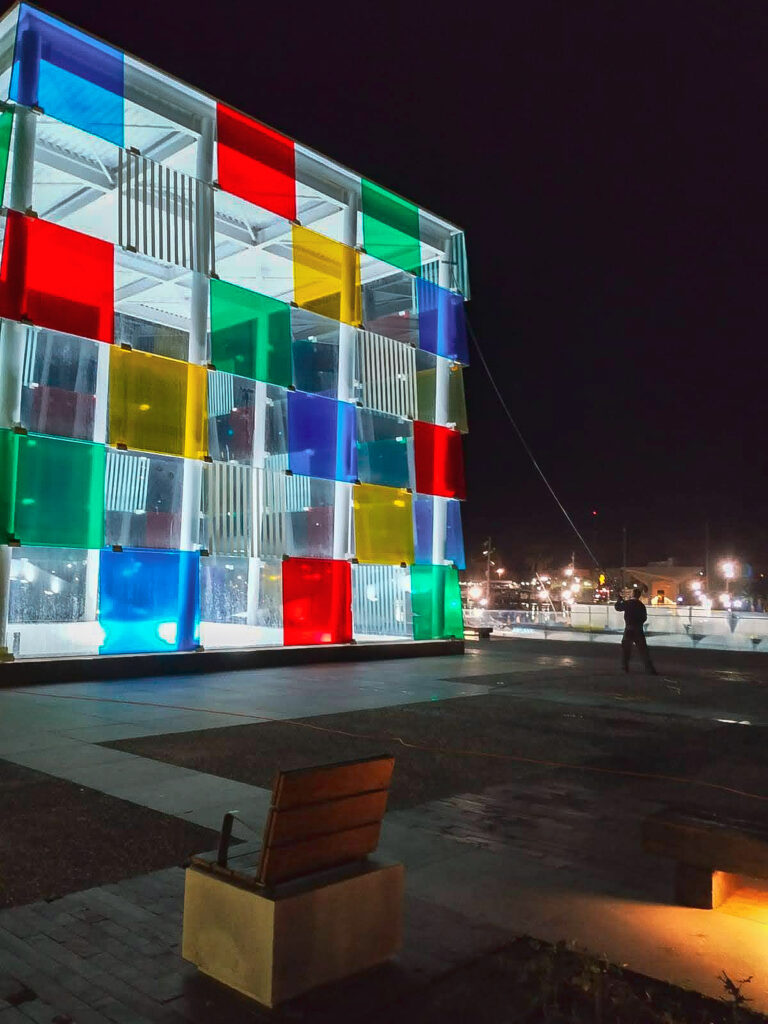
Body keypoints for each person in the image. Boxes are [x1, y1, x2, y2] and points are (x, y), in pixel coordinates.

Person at [615, 587, 657, 674]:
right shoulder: (641, 605)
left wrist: (619, 599)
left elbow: (618, 607)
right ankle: (649, 669)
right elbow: (644, 618)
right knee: (643, 650)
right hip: (638, 629)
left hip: (629, 629)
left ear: (632, 594)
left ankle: (625, 667)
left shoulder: (628, 603)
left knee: (626, 649)